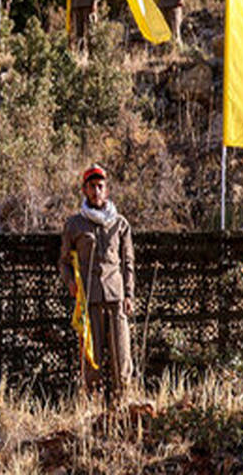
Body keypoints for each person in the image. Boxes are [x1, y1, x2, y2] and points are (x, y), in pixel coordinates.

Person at [59, 164, 135, 401]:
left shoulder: (120, 223)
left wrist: (129, 294)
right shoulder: (74, 225)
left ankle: (123, 402)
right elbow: (64, 261)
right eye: (92, 186)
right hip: (89, 297)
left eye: (100, 186)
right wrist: (70, 283)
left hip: (116, 296)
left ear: (107, 190)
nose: (96, 191)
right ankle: (93, 402)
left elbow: (128, 262)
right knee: (92, 357)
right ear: (84, 190)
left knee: (122, 354)